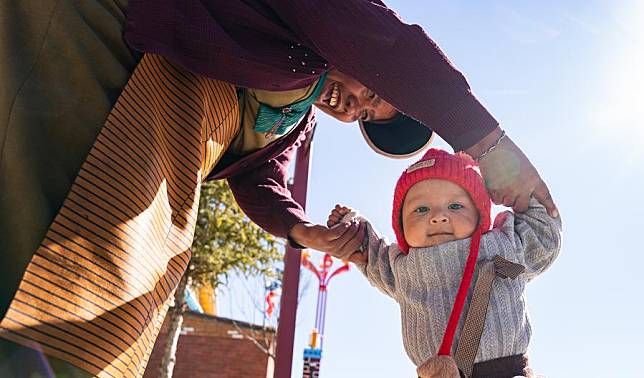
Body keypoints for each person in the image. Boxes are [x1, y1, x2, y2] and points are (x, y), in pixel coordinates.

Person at [0, 0, 557, 376]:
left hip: (147, 158)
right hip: (90, 49)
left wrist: (303, 230)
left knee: (99, 303)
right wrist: (492, 149)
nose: (357, 104)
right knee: (33, 241)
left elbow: (259, 180)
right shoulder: (321, 27)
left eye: (367, 113)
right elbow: (390, 47)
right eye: (374, 92)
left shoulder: (294, 118)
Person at [327, 149, 562, 377]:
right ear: (401, 227)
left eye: (455, 206)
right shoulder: (402, 266)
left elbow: (542, 238)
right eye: (421, 209)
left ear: (480, 216)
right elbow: (371, 255)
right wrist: (353, 229)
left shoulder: (502, 244)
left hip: (507, 371)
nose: (438, 216)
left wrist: (518, 183)